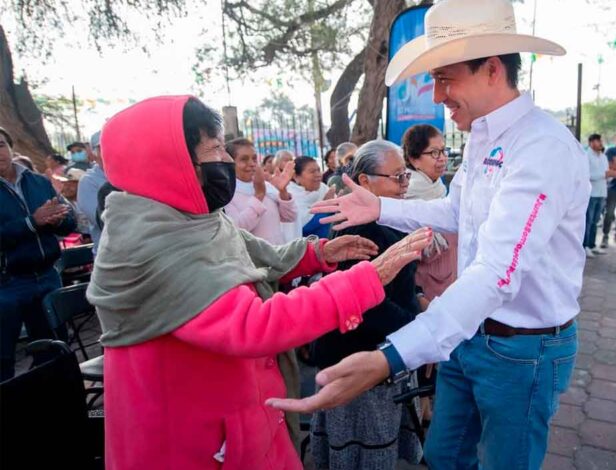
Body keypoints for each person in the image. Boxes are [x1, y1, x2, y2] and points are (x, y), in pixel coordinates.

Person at [269, 1, 589, 469]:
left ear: (492, 70)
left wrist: (390, 358)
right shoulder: (484, 137)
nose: (438, 95)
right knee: (442, 457)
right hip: (467, 332)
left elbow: (497, 273)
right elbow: (457, 211)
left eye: (446, 78)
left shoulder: (542, 149)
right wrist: (381, 206)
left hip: (523, 348)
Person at [86, 95, 431, 470]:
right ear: (172, 161)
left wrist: (321, 253)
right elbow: (255, 325)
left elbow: (258, 253)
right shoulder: (150, 242)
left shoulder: (195, 218)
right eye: (215, 148)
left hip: (241, 417)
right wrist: (366, 281)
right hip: (192, 438)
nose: (227, 161)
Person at [310, 140, 423, 470]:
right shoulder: (361, 227)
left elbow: (399, 280)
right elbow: (367, 304)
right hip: (358, 355)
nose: (404, 185)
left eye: (405, 176)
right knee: (361, 450)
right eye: (396, 177)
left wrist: (417, 300)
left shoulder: (389, 217)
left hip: (385, 348)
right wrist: (417, 328)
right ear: (364, 182)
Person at [0, 126, 76, 381]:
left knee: (54, 350)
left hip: (47, 276)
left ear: (11, 147)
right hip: (8, 284)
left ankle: (57, 407)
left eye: (0, 144)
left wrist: (59, 220)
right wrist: (32, 223)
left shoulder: (38, 181)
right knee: (4, 357)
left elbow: (69, 221)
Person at [402, 124, 457, 300]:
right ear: (414, 158)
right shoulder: (405, 194)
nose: (442, 158)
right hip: (425, 290)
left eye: (443, 151)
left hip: (451, 283)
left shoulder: (438, 188)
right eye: (434, 153)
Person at [225, 138, 298, 245]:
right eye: (244, 159)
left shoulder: (266, 186)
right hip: (252, 258)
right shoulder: (227, 194)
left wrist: (283, 191)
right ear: (230, 163)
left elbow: (290, 217)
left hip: (278, 253)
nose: (251, 163)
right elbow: (238, 229)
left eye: (254, 159)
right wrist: (259, 195)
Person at [584, 133, 616, 258]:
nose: (600, 143)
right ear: (591, 143)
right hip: (591, 194)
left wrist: (611, 175)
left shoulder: (603, 157)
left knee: (595, 221)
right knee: (588, 221)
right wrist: (604, 175)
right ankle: (584, 246)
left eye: (601, 141)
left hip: (601, 193)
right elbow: (587, 176)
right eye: (598, 141)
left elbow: (606, 175)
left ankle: (592, 245)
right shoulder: (586, 156)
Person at [77, 131, 109, 254]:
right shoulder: (88, 181)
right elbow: (103, 221)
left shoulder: (131, 175)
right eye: (103, 148)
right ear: (95, 153)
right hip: (109, 255)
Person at [289, 156, 334, 239]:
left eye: (319, 170)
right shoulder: (289, 196)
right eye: (312, 171)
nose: (318, 175)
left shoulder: (323, 188)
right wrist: (325, 207)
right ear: (296, 176)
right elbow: (303, 228)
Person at [54, 168, 90, 235]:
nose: (67, 187)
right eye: (65, 184)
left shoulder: (90, 202)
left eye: (72, 184)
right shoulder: (61, 202)